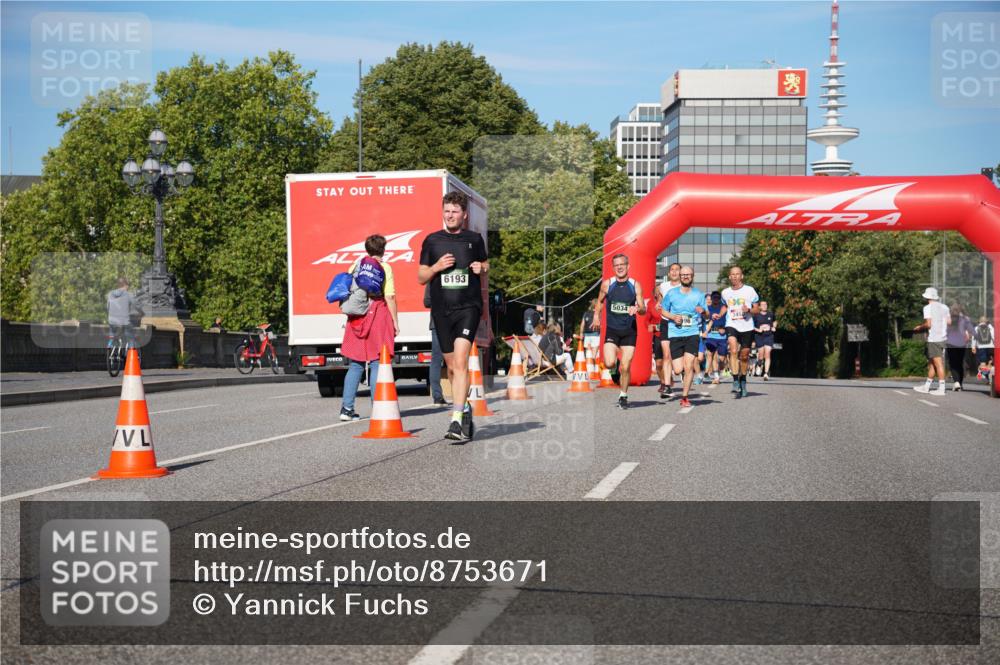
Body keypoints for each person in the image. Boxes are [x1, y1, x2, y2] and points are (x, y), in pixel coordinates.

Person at [418, 191, 488, 442]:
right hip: (441, 310)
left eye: (455, 211)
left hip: (468, 307)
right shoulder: (432, 241)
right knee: (451, 367)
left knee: (460, 362)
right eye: (447, 211)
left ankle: (456, 419)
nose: (450, 215)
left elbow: (485, 264)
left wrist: (482, 268)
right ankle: (465, 407)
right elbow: (421, 277)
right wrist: (437, 267)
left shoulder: (474, 239)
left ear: (464, 215)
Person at [339, 235, 400, 421]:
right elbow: (389, 296)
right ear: (384, 249)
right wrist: (395, 322)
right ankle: (378, 408)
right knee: (376, 363)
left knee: (356, 364)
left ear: (367, 249)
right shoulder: (385, 268)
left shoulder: (356, 265)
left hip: (357, 316)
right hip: (378, 315)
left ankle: (346, 409)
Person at [596, 253, 646, 409]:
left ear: (628, 266)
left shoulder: (635, 284)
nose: (619, 267)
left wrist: (637, 308)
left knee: (626, 366)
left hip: (629, 331)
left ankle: (623, 395)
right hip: (612, 330)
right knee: (609, 363)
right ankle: (614, 367)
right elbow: (599, 301)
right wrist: (596, 316)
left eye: (622, 264)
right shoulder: (607, 284)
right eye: (616, 265)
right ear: (613, 267)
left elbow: (643, 308)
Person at [661, 266, 705, 408]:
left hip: (692, 333)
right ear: (680, 276)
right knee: (678, 369)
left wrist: (703, 311)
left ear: (693, 276)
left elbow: (707, 314)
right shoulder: (672, 293)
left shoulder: (698, 294)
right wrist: (673, 317)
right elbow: (663, 310)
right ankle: (680, 376)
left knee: (689, 365)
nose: (686, 277)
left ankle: (685, 397)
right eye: (683, 274)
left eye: (689, 274)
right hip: (675, 334)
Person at [722, 266, 760, 399]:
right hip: (732, 324)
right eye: (732, 274)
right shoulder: (725, 292)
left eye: (737, 274)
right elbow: (725, 306)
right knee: (732, 349)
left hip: (747, 326)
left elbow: (757, 309)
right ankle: (734, 380)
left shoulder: (750, 291)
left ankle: (742, 379)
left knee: (744, 356)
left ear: (741, 276)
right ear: (729, 277)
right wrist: (718, 315)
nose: (735, 277)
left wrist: (748, 310)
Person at [912, 287, 950, 395]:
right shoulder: (944, 307)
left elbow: (929, 324)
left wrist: (920, 327)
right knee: (932, 363)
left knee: (938, 364)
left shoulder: (928, 308)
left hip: (934, 339)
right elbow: (949, 322)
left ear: (927, 297)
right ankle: (927, 386)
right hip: (943, 338)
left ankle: (941, 389)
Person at [657, 262, 682, 396]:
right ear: (668, 273)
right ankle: (667, 386)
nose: (674, 272)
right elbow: (660, 300)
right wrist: (658, 304)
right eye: (671, 270)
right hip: (666, 321)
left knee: (678, 366)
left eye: (677, 270)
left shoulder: (684, 287)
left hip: (680, 324)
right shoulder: (663, 286)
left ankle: (680, 370)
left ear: (680, 273)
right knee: (666, 355)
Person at [424, 285, 447, 406]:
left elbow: (427, 302)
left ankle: (437, 397)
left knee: (436, 360)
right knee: (457, 359)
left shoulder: (433, 279)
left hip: (437, 322)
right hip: (453, 323)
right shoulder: (458, 275)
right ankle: (462, 395)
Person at [945, 303, 974, 391]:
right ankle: (960, 384)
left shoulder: (949, 318)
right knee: (960, 362)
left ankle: (956, 382)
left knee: (953, 362)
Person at [702, 291, 728, 385]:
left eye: (717, 298)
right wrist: (705, 332)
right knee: (712, 354)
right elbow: (704, 320)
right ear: (712, 298)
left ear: (720, 298)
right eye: (714, 298)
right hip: (711, 335)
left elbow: (729, 320)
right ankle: (716, 377)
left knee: (721, 359)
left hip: (722, 336)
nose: (716, 299)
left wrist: (725, 329)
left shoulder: (724, 308)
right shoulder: (708, 308)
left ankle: (720, 369)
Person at [107, 277, 141, 348]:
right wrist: (141, 313)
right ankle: (130, 352)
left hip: (112, 320)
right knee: (130, 337)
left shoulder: (110, 294)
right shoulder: (129, 294)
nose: (128, 287)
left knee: (112, 334)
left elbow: (108, 307)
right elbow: (137, 306)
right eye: (128, 285)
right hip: (124, 321)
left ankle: (110, 344)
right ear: (125, 285)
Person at [647, 290, 665, 393]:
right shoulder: (651, 304)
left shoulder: (670, 302)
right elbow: (647, 321)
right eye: (657, 292)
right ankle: (663, 382)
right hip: (658, 336)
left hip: (671, 336)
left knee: (669, 362)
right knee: (658, 364)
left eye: (661, 292)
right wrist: (651, 326)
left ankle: (667, 380)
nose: (659, 294)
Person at [753, 300, 777, 380]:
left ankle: (766, 373)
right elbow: (751, 326)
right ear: (759, 307)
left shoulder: (771, 314)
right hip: (759, 336)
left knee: (768, 353)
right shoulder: (756, 316)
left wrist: (774, 327)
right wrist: (758, 330)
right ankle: (759, 363)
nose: (764, 306)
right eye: (762, 305)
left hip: (769, 336)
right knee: (761, 354)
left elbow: (775, 321)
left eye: (766, 304)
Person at [973, 315, 995, 379]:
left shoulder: (976, 328)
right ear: (987, 321)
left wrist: (973, 346)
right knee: (990, 361)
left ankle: (983, 373)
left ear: (979, 321)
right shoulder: (990, 327)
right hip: (990, 346)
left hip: (981, 346)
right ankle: (988, 375)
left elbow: (974, 338)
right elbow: (994, 337)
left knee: (983, 362)